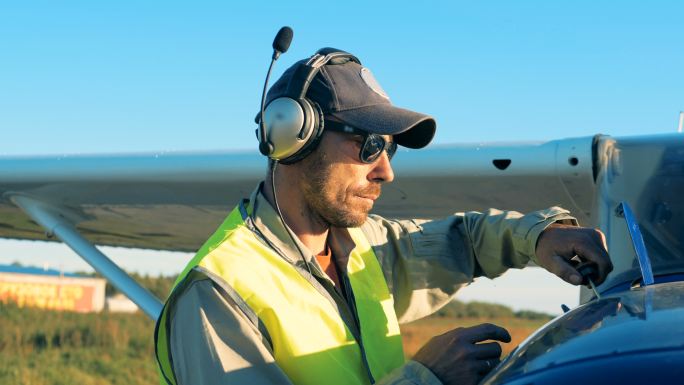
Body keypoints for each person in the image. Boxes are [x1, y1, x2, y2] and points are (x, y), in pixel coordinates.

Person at [154, 47, 612, 385]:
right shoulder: (217, 293)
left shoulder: (359, 245)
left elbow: (465, 240)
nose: (386, 171)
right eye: (369, 144)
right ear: (292, 137)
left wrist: (541, 235)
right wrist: (426, 377)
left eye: (389, 149)